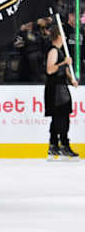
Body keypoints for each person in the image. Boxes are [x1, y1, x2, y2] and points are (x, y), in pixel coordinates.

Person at [44, 25, 79, 160]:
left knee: (61, 117)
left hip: (61, 87)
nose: (64, 37)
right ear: (58, 36)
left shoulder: (60, 51)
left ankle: (55, 145)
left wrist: (71, 79)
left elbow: (64, 70)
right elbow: (50, 70)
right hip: (56, 89)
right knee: (60, 117)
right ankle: (62, 144)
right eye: (63, 35)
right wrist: (64, 63)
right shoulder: (53, 51)